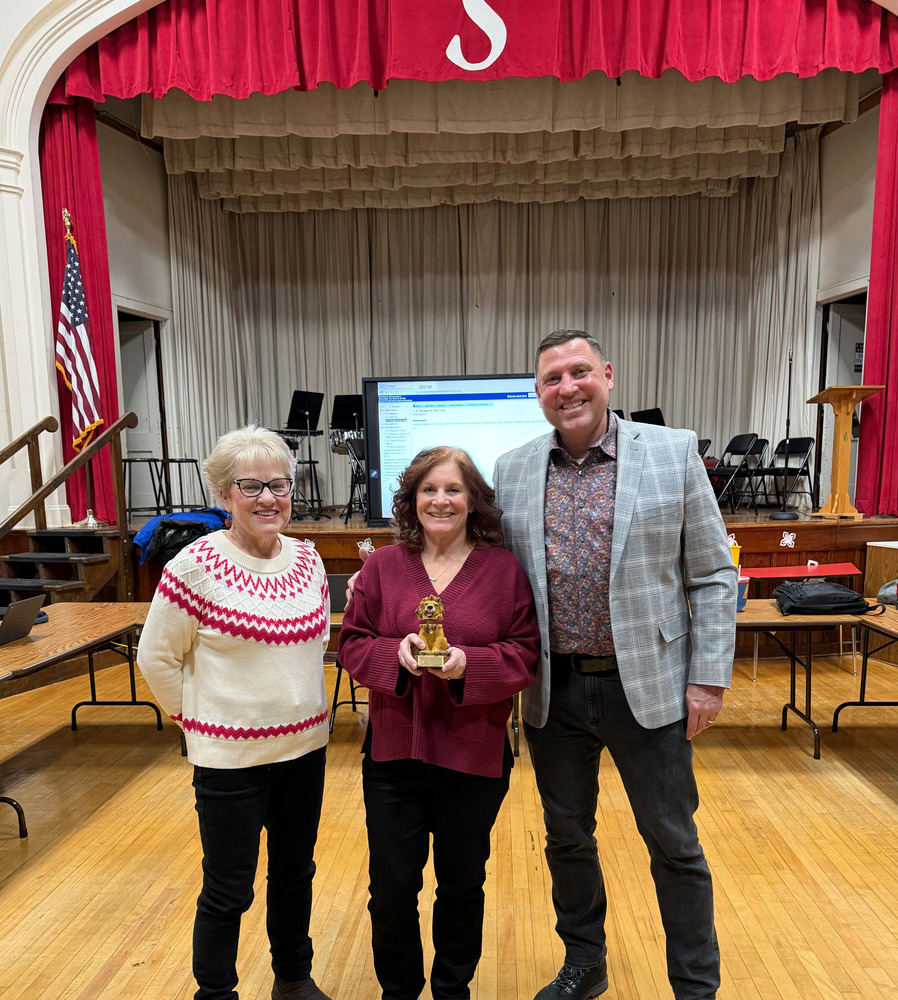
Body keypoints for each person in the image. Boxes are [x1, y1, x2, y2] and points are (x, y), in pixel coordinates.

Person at [493, 330, 737, 1000]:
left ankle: (695, 986)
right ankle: (585, 963)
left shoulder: (672, 451)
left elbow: (714, 575)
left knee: (673, 843)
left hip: (650, 688)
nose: (567, 387)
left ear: (606, 374)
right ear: (537, 393)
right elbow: (489, 573)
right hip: (554, 690)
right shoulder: (512, 469)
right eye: (551, 379)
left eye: (579, 372)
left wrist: (707, 677)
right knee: (567, 838)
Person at [137, 425, 333, 1000]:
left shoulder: (309, 560)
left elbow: (315, 644)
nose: (268, 498)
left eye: (279, 485)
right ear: (224, 495)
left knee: (295, 876)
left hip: (304, 753)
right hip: (229, 763)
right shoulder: (194, 566)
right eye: (251, 486)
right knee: (229, 889)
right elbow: (156, 658)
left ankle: (293, 981)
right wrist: (199, 722)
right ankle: (216, 992)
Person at [338, 446, 539, 1000]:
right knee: (391, 890)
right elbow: (352, 643)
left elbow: (525, 653)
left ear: (473, 500)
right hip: (393, 759)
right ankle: (399, 992)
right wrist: (393, 654)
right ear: (412, 499)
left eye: (453, 489)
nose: (441, 500)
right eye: (429, 489)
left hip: (473, 758)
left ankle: (453, 990)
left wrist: (470, 664)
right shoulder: (382, 566)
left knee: (461, 886)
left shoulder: (503, 570)